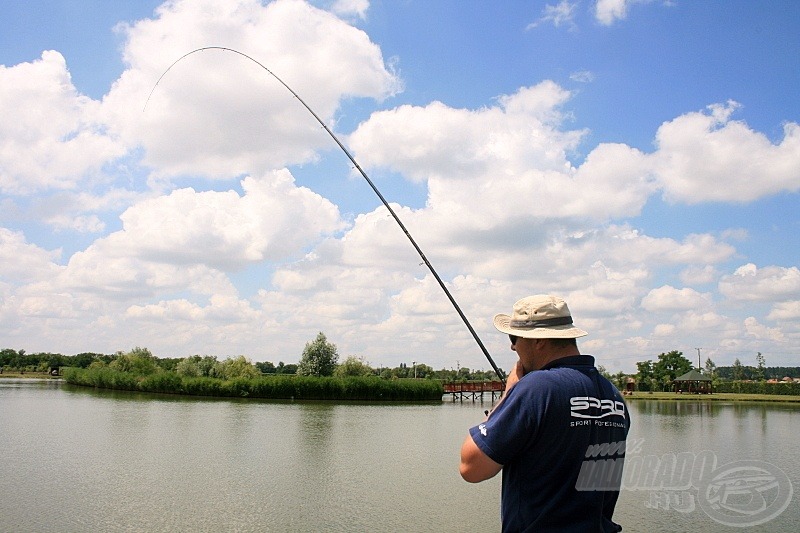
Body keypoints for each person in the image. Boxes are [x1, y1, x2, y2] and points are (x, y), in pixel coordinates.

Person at [460, 295, 629, 532]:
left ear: (538, 339)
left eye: (514, 337)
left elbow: (471, 467)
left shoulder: (537, 388)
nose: (512, 346)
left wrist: (509, 394)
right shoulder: (612, 394)